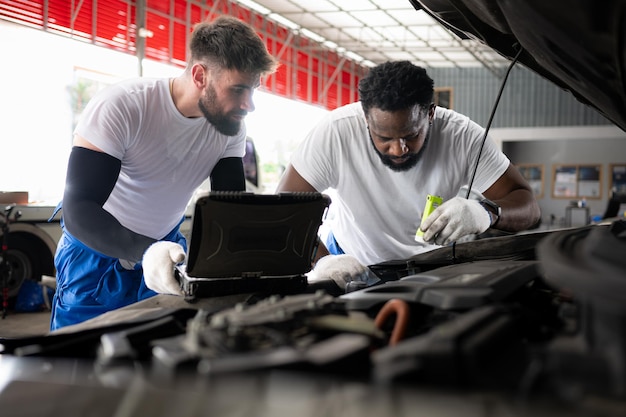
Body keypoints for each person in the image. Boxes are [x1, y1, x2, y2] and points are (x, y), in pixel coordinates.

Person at [50, 15, 278, 330]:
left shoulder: (230, 127)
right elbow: (79, 210)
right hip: (95, 254)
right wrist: (147, 251)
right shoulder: (124, 106)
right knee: (75, 360)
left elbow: (231, 210)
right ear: (200, 75)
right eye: (238, 89)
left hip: (167, 250)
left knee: (160, 355)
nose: (248, 104)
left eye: (252, 89)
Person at [276, 60, 540, 271]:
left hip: (431, 265)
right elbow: (285, 210)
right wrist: (322, 261)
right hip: (347, 258)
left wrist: (486, 212)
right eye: (383, 138)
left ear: (431, 113)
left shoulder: (464, 137)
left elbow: (528, 206)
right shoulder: (336, 132)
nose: (398, 149)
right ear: (365, 119)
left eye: (411, 135)